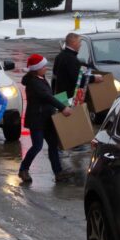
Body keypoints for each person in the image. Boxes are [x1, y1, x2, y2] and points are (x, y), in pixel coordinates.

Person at [18, 54, 73, 184]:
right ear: (37, 68)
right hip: (37, 119)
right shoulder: (34, 82)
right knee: (37, 146)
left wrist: (65, 102)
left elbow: (50, 96)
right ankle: (23, 169)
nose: (46, 68)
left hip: (47, 118)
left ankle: (58, 172)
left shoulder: (40, 78)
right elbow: (47, 97)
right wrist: (62, 108)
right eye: (43, 66)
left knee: (53, 145)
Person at [52, 33, 102, 154]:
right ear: (73, 43)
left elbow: (55, 74)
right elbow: (78, 80)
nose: (80, 45)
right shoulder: (71, 59)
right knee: (72, 119)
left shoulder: (60, 56)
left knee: (65, 119)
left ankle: (64, 144)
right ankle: (71, 144)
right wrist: (94, 78)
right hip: (70, 94)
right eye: (79, 42)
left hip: (60, 93)